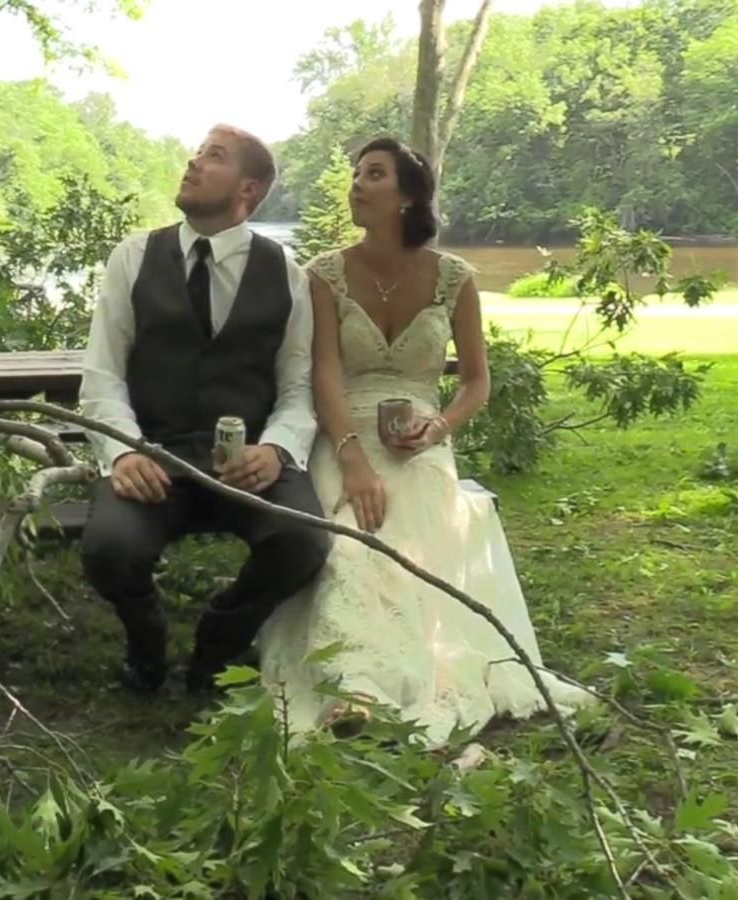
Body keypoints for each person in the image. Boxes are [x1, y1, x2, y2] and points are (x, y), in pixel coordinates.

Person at [254, 136, 595, 747]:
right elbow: (324, 375)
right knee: (355, 535)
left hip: (421, 438)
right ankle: (353, 683)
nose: (357, 183)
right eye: (356, 172)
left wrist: (437, 428)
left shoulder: (455, 278)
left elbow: (475, 382)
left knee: (413, 535)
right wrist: (353, 456)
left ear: (409, 197)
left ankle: (417, 671)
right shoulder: (323, 276)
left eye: (375, 174)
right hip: (345, 432)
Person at [78, 124, 330, 696]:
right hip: (155, 459)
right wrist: (122, 452)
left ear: (249, 188)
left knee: (304, 542)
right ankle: (147, 647)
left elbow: (298, 387)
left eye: (212, 157)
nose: (192, 163)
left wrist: (278, 449)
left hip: (247, 467)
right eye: (195, 153)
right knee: (109, 551)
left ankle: (218, 643)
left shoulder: (286, 273)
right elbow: (102, 375)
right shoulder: (134, 257)